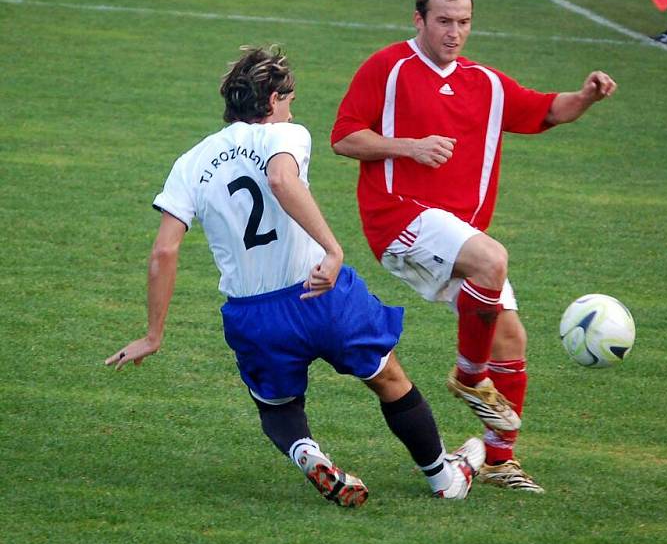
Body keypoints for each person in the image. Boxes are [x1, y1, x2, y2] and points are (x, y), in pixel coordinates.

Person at [104, 45, 485, 508]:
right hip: (320, 294)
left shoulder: (191, 162)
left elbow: (165, 250)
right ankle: (443, 478)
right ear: (271, 102)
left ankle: (306, 451)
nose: (292, 107)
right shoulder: (286, 136)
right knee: (389, 378)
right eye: (288, 98)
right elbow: (283, 180)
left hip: (254, 316)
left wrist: (153, 334)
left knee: (277, 406)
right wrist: (333, 248)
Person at [331, 0, 616, 493]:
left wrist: (587, 96)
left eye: (463, 22)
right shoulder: (388, 67)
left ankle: (499, 461)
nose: (454, 32)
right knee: (492, 259)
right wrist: (408, 146)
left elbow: (548, 109)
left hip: (455, 233)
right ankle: (467, 375)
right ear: (419, 19)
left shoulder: (484, 82)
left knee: (511, 336)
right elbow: (344, 137)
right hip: (398, 217)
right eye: (443, 20)